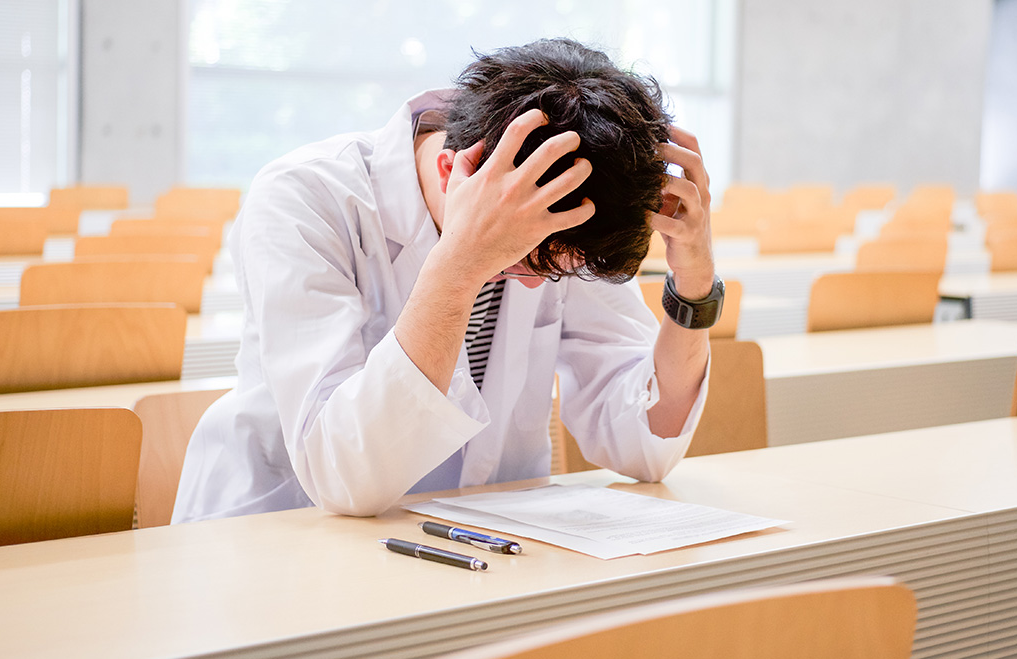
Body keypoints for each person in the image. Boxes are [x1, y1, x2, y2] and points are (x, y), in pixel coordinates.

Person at [172, 38, 720, 521]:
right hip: (280, 535)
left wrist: (694, 285)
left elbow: (643, 445)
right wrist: (462, 263)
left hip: (476, 541)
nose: (537, 285)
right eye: (526, 264)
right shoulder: (304, 199)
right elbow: (344, 476)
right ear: (450, 173)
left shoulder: (568, 208)